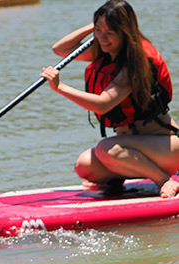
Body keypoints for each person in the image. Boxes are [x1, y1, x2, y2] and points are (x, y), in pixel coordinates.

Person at [39, 0, 179, 198]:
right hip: (133, 146)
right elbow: (60, 49)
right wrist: (99, 24)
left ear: (125, 31)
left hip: (165, 147)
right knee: (84, 166)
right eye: (99, 31)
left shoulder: (136, 62)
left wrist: (60, 87)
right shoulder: (106, 51)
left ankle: (163, 180)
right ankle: (119, 177)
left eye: (110, 33)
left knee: (106, 149)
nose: (102, 38)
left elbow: (104, 104)